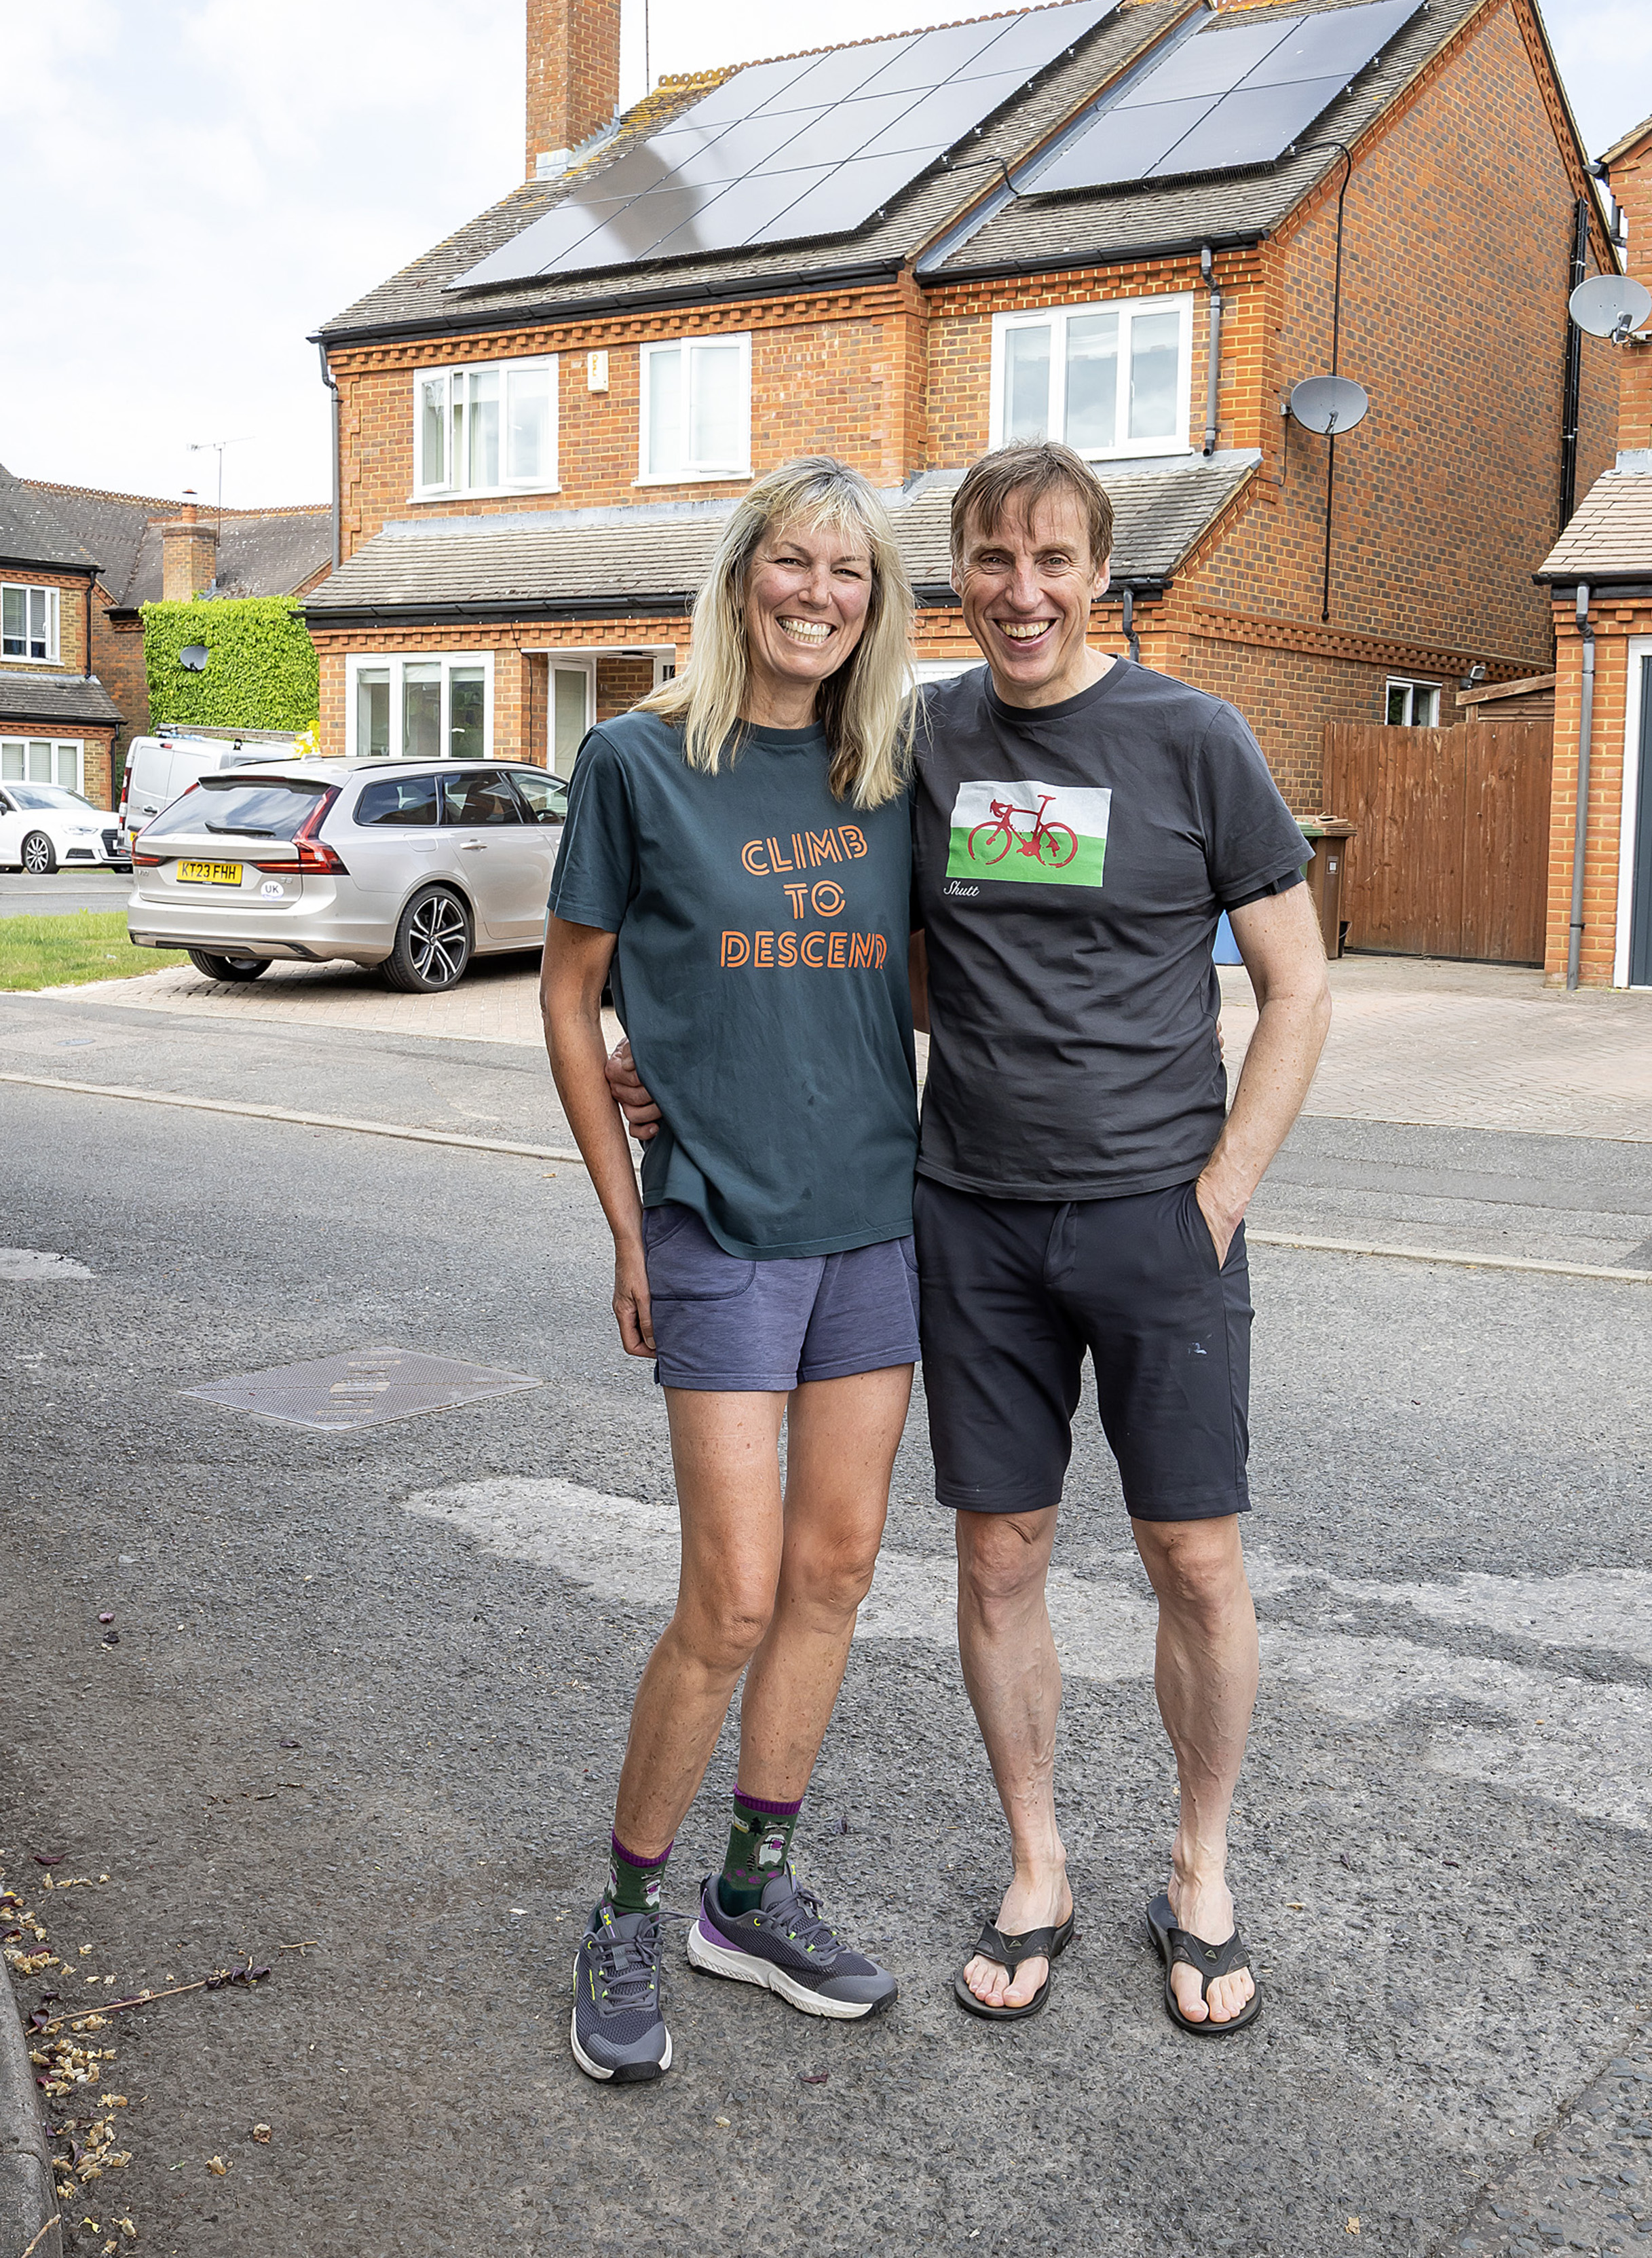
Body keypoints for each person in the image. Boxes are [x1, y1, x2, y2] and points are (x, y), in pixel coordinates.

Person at [611, 440, 1332, 2040]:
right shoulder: (914, 737)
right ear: (956, 578)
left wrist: (1217, 1195)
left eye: (1053, 561)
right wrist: (660, 1047)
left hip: (1159, 1216)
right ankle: (1036, 1863)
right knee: (998, 1557)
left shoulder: (1192, 738)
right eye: (991, 562)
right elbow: (837, 933)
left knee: (1193, 1561)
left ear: (1098, 575)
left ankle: (1198, 1870)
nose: (1021, 593)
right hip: (969, 1218)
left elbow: (1297, 985)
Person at [540, 455, 922, 2085]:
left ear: (874, 601)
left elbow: (918, 987)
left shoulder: (892, 771)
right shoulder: (635, 760)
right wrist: (625, 1218)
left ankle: (744, 1898)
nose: (817, 595)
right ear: (741, 574)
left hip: (876, 1220)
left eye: (847, 572)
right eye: (793, 563)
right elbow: (569, 998)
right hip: (714, 1224)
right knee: (733, 1594)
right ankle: (623, 1907)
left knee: (835, 1574)